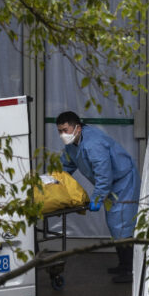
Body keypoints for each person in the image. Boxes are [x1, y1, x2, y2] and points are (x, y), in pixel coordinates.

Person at [56, 111, 140, 283]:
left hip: (123, 182)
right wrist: (55, 182)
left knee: (122, 225)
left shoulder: (93, 144)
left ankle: (130, 271)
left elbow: (104, 177)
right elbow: (67, 165)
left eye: (65, 130)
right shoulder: (73, 144)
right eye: (59, 131)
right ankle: (123, 265)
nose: (62, 135)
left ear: (77, 128)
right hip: (111, 184)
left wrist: (96, 200)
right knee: (115, 225)